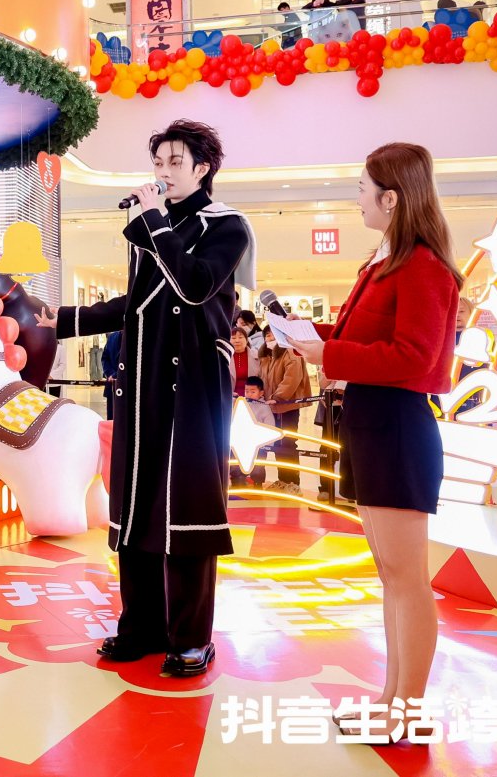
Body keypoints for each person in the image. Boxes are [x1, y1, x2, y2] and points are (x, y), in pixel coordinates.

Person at [39, 119, 252, 679]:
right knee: (136, 503)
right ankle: (141, 627)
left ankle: (191, 637)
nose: (162, 173)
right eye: (158, 162)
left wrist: (154, 219)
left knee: (187, 508)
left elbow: (193, 285)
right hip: (141, 378)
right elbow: (135, 303)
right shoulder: (151, 228)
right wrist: (67, 319)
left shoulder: (226, 225)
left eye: (174, 162)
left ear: (203, 168)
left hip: (194, 384)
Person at [294, 142, 460, 741]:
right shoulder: (385, 263)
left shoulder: (421, 266)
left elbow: (413, 356)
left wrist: (330, 353)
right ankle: (391, 701)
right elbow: (363, 337)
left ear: (391, 198)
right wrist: (313, 338)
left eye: (363, 190)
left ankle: (407, 711)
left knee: (407, 579)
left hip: (397, 427)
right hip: (372, 424)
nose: (357, 199)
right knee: (392, 576)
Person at [257, 338, 310, 493]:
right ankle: (282, 480)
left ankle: (293, 483)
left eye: (273, 335)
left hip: (287, 406)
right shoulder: (267, 355)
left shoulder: (290, 352)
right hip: (271, 406)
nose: (269, 339)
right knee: (278, 444)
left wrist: (278, 397)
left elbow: (291, 379)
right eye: (267, 335)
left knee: (288, 443)